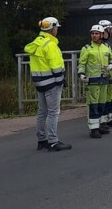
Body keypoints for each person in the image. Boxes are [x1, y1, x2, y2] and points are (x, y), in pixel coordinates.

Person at [24, 17, 72, 151]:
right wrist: (61, 80)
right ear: (52, 29)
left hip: (40, 83)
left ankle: (42, 140)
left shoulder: (37, 42)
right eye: (56, 28)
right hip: (52, 83)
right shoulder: (50, 45)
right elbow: (56, 67)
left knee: (42, 112)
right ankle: (53, 141)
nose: (57, 30)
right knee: (53, 112)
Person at [78, 24, 112, 139]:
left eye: (97, 33)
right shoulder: (87, 48)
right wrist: (81, 74)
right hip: (92, 80)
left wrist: (110, 66)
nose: (94, 35)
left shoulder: (106, 47)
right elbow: (82, 64)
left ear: (102, 35)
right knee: (93, 105)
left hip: (104, 79)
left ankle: (98, 126)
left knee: (101, 104)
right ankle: (93, 129)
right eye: (92, 33)